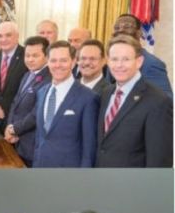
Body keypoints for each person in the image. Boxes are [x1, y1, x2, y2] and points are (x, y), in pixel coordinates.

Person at [96, 35, 172, 167]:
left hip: (134, 184)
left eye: (126, 59)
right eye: (114, 59)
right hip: (101, 181)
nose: (119, 65)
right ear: (107, 62)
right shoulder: (105, 93)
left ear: (139, 61)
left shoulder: (158, 101)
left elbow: (159, 159)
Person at [33, 41, 98, 167]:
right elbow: (40, 136)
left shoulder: (88, 97)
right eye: (53, 60)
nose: (57, 65)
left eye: (63, 60)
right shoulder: (41, 92)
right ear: (47, 61)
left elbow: (89, 146)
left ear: (73, 62)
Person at [4, 36, 51, 167]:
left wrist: (15, 129)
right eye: (27, 55)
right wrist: (10, 127)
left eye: (35, 55)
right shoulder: (27, 75)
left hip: (32, 144)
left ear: (46, 56)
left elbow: (37, 113)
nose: (30, 59)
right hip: (17, 140)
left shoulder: (50, 79)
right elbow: (15, 103)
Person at [111, 14, 172, 99]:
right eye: (117, 28)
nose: (120, 30)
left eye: (127, 27)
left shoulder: (152, 64)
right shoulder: (111, 61)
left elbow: (167, 101)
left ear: (139, 33)